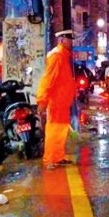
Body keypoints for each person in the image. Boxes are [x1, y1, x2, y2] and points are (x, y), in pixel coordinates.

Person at [36, 30, 78, 169]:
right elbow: (48, 79)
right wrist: (42, 100)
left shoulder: (63, 56)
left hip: (63, 102)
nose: (71, 41)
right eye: (69, 39)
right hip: (56, 102)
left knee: (60, 131)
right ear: (61, 40)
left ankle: (58, 157)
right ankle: (49, 160)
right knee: (54, 130)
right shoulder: (57, 56)